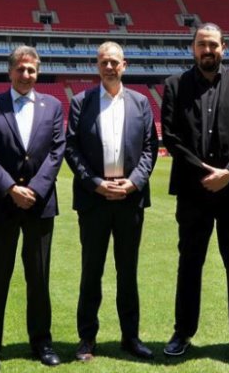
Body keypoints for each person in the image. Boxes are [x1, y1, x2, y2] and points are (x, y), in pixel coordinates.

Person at [159, 23, 229, 358]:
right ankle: (183, 332)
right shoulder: (175, 85)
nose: (207, 51)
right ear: (192, 48)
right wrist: (205, 172)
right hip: (193, 192)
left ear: (224, 46)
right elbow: (172, 137)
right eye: (201, 45)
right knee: (189, 263)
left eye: (213, 45)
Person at [65, 41, 159, 362]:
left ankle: (130, 337)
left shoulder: (141, 103)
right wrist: (96, 184)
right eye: (104, 62)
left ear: (124, 65)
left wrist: (133, 183)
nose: (109, 67)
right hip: (94, 201)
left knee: (127, 272)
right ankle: (87, 338)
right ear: (97, 65)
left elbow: (149, 148)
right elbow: (72, 149)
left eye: (114, 62)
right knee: (91, 271)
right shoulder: (81, 102)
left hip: (130, 200)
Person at [0, 45, 65, 373]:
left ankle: (42, 341)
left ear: (37, 72)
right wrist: (11, 188)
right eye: (21, 69)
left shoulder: (53, 106)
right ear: (10, 71)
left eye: (32, 70)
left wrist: (35, 189)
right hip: (1, 206)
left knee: (39, 278)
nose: (26, 75)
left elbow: (57, 151)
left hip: (40, 207)